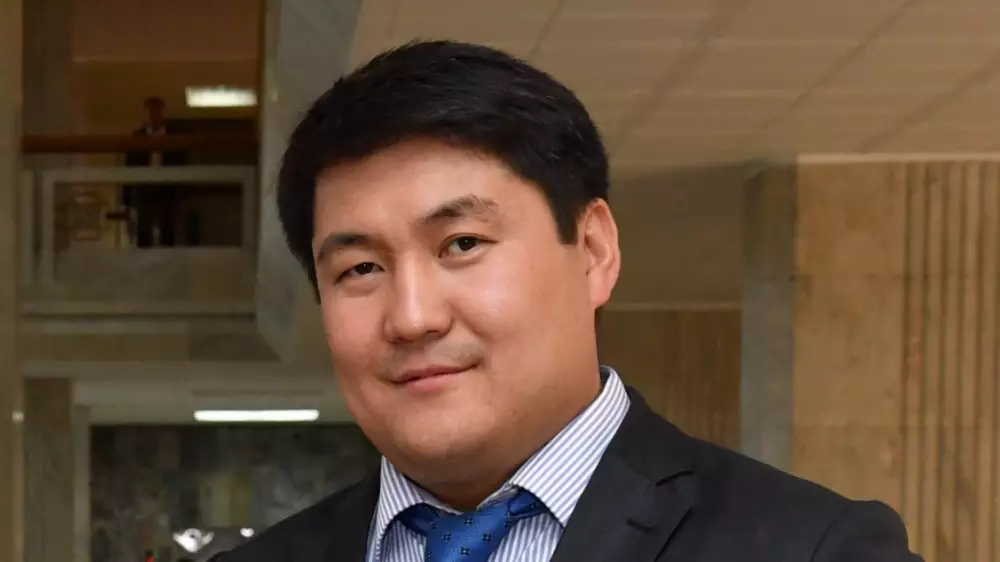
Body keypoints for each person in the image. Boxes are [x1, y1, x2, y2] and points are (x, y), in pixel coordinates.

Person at [222, 41, 921, 562]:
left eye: (462, 244)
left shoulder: (814, 548)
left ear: (592, 250)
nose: (412, 317)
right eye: (361, 268)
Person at [123, 96, 190, 247]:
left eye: (156, 112)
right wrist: (127, 198)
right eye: (150, 112)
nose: (153, 116)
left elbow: (183, 164)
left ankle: (167, 258)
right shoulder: (137, 137)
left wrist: (185, 194)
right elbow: (129, 167)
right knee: (143, 228)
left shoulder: (175, 137)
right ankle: (145, 258)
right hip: (143, 187)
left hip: (168, 186)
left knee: (168, 227)